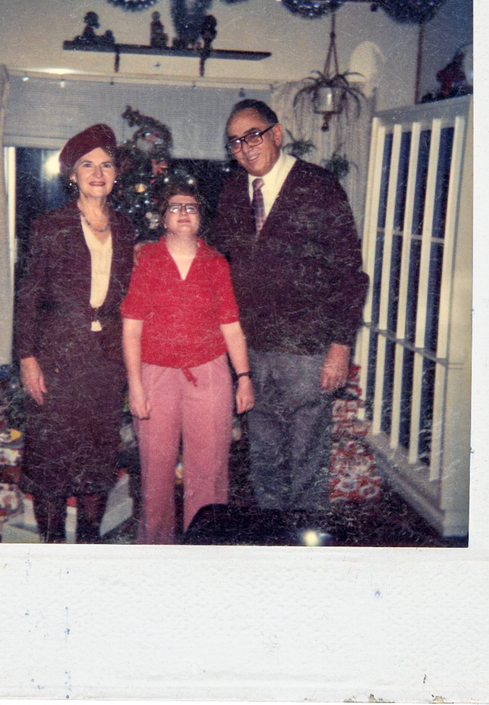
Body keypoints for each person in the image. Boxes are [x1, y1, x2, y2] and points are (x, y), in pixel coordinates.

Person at [212, 99, 369, 526]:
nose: (244, 148)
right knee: (263, 456)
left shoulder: (318, 186)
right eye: (234, 143)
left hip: (306, 351)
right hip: (252, 351)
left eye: (252, 136)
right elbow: (216, 258)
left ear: (276, 134)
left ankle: (305, 548)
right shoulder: (231, 193)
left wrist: (339, 346)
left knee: (305, 456)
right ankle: (271, 543)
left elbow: (349, 272)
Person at [15, 124, 135, 543]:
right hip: (57, 360)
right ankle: (51, 548)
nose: (97, 172)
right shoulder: (50, 225)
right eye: (87, 164)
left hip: (105, 363)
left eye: (106, 164)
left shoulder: (126, 228)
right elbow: (28, 296)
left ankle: (87, 544)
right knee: (51, 460)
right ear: (72, 174)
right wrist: (28, 359)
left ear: (116, 174)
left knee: (97, 460)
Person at [121, 182, 255, 544]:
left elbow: (231, 325)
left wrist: (243, 377)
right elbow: (131, 329)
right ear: (163, 217)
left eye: (191, 207)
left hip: (209, 373)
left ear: (200, 218)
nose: (183, 213)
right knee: (155, 472)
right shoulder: (147, 259)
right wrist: (135, 385)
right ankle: (154, 553)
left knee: (209, 474)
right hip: (155, 375)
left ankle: (205, 551)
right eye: (175, 207)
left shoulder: (215, 263)